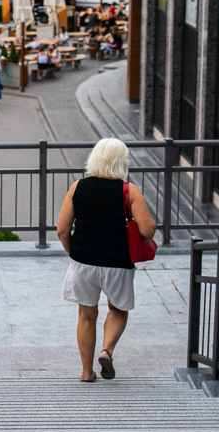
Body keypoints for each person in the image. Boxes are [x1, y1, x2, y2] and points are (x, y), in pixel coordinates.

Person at [57, 138, 156, 382]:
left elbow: (62, 229)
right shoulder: (129, 191)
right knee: (118, 309)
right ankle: (107, 351)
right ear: (122, 162)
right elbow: (147, 231)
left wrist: (72, 252)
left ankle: (86, 372)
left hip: (83, 262)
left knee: (86, 315)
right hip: (118, 263)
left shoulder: (78, 187)